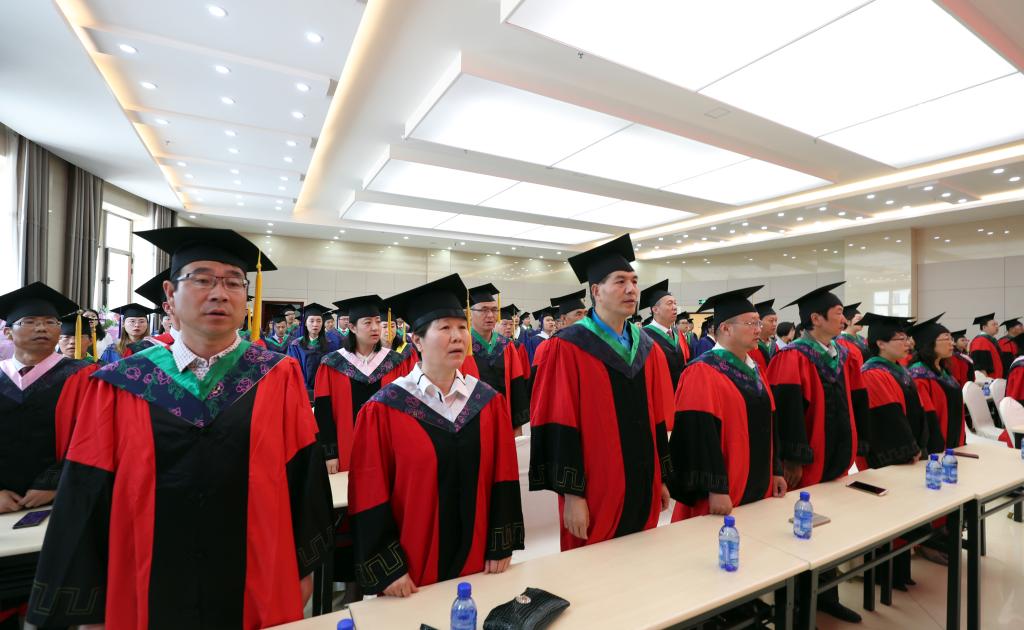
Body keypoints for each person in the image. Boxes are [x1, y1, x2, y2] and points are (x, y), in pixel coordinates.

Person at [27, 227, 333, 630]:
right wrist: (89, 604)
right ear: (170, 295)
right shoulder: (121, 382)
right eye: (202, 279)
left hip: (256, 573)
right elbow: (86, 491)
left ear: (246, 298)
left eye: (233, 282)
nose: (219, 293)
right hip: (146, 576)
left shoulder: (278, 375)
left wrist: (304, 566)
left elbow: (304, 477)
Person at [347, 274, 524, 597]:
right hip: (413, 572)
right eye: (445, 328)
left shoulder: (487, 402)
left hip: (480, 565)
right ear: (417, 341)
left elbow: (504, 478)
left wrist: (501, 544)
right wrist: (389, 568)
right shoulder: (384, 409)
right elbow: (369, 491)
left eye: (461, 327)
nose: (458, 336)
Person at [529, 234, 673, 551]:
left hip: (643, 481)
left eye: (634, 281)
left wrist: (661, 478)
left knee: (642, 557)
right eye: (620, 281)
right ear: (596, 291)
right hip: (595, 490)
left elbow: (656, 419)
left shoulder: (647, 348)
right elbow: (558, 423)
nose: (631, 289)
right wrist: (572, 495)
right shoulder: (567, 347)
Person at [0, 285, 100, 630]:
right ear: (8, 333)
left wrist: (54, 483)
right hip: (3, 507)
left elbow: (95, 438)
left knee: (51, 599)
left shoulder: (85, 376)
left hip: (62, 501)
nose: (42, 328)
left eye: (50, 322)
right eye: (30, 321)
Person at [767, 281, 865, 624]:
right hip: (808, 462)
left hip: (837, 459)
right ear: (816, 318)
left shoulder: (842, 354)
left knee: (827, 529)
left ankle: (826, 596)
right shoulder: (792, 356)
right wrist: (793, 458)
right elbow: (786, 412)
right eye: (838, 313)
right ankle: (794, 605)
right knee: (800, 532)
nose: (844, 319)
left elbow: (854, 401)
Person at [668, 286, 786, 521]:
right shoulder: (701, 371)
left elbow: (770, 423)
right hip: (723, 492)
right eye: (750, 323)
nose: (758, 329)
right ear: (725, 328)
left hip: (759, 482)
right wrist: (715, 488)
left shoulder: (755, 369)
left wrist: (775, 470)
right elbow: (697, 435)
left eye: (758, 323)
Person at [859, 313, 934, 469]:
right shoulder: (872, 373)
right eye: (901, 339)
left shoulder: (900, 370)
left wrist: (921, 445)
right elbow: (888, 418)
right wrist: (909, 450)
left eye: (907, 338)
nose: (908, 344)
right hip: (891, 459)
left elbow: (919, 410)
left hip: (914, 452)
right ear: (881, 343)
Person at [461, 283, 530, 431]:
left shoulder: (506, 346)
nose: (491, 315)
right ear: (469, 313)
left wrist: (517, 427)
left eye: (494, 310)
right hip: (472, 426)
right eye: (484, 310)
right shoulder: (461, 345)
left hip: (504, 420)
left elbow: (517, 387)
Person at [909, 315, 967, 449]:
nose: (952, 343)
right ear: (929, 343)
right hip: (935, 450)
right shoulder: (919, 376)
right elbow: (926, 419)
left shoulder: (943, 371)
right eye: (946, 339)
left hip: (954, 444)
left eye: (951, 339)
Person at [640, 279, 688, 389]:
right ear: (655, 310)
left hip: (681, 392)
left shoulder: (677, 333)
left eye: (675, 303)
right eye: (669, 303)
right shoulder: (643, 336)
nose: (675, 307)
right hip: (659, 391)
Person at [287, 302, 338, 399]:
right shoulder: (295, 345)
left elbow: (333, 371)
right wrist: (304, 389)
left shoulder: (331, 344)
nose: (315, 324)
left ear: (322, 323)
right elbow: (293, 370)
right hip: (301, 391)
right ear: (305, 323)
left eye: (319, 321)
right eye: (311, 321)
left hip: (325, 392)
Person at [969, 313, 1003, 378]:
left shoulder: (990, 340)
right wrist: (986, 381)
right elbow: (980, 367)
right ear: (984, 327)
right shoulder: (980, 341)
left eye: (997, 324)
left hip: (995, 379)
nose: (997, 326)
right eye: (993, 324)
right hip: (988, 380)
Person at [748, 299, 776, 372]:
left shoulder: (775, 346)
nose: (775, 324)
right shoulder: (750, 347)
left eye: (776, 321)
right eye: (771, 320)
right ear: (759, 322)